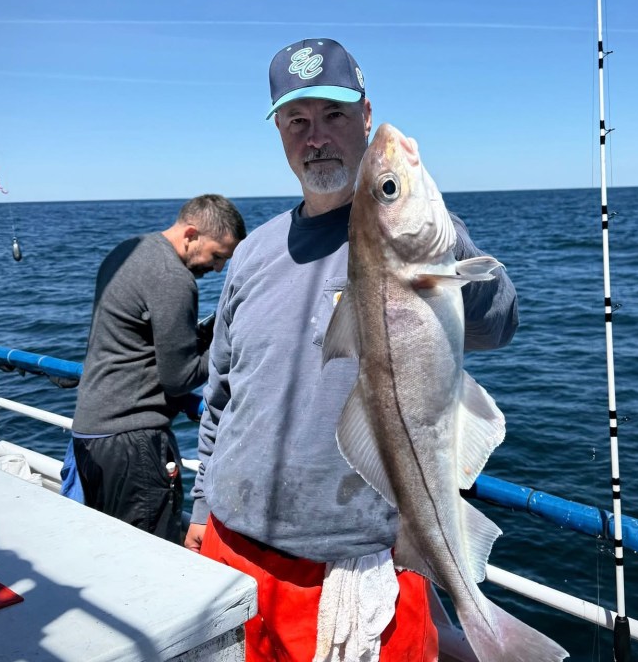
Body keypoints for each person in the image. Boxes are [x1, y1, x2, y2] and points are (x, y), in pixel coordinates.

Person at [185, 39, 519, 661]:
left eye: (334, 116)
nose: (316, 138)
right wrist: (201, 507)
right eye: (297, 121)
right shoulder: (252, 252)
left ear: (366, 117)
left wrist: (442, 245)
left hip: (363, 569)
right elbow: (220, 395)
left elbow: (499, 323)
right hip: (231, 552)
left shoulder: (422, 240)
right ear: (280, 133)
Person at [72, 194, 246, 543]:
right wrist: (226, 342)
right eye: (217, 256)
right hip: (133, 439)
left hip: (91, 433)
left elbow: (139, 341)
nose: (217, 269)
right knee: (149, 556)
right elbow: (179, 377)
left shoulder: (129, 250)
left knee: (109, 546)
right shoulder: (173, 277)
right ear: (192, 234)